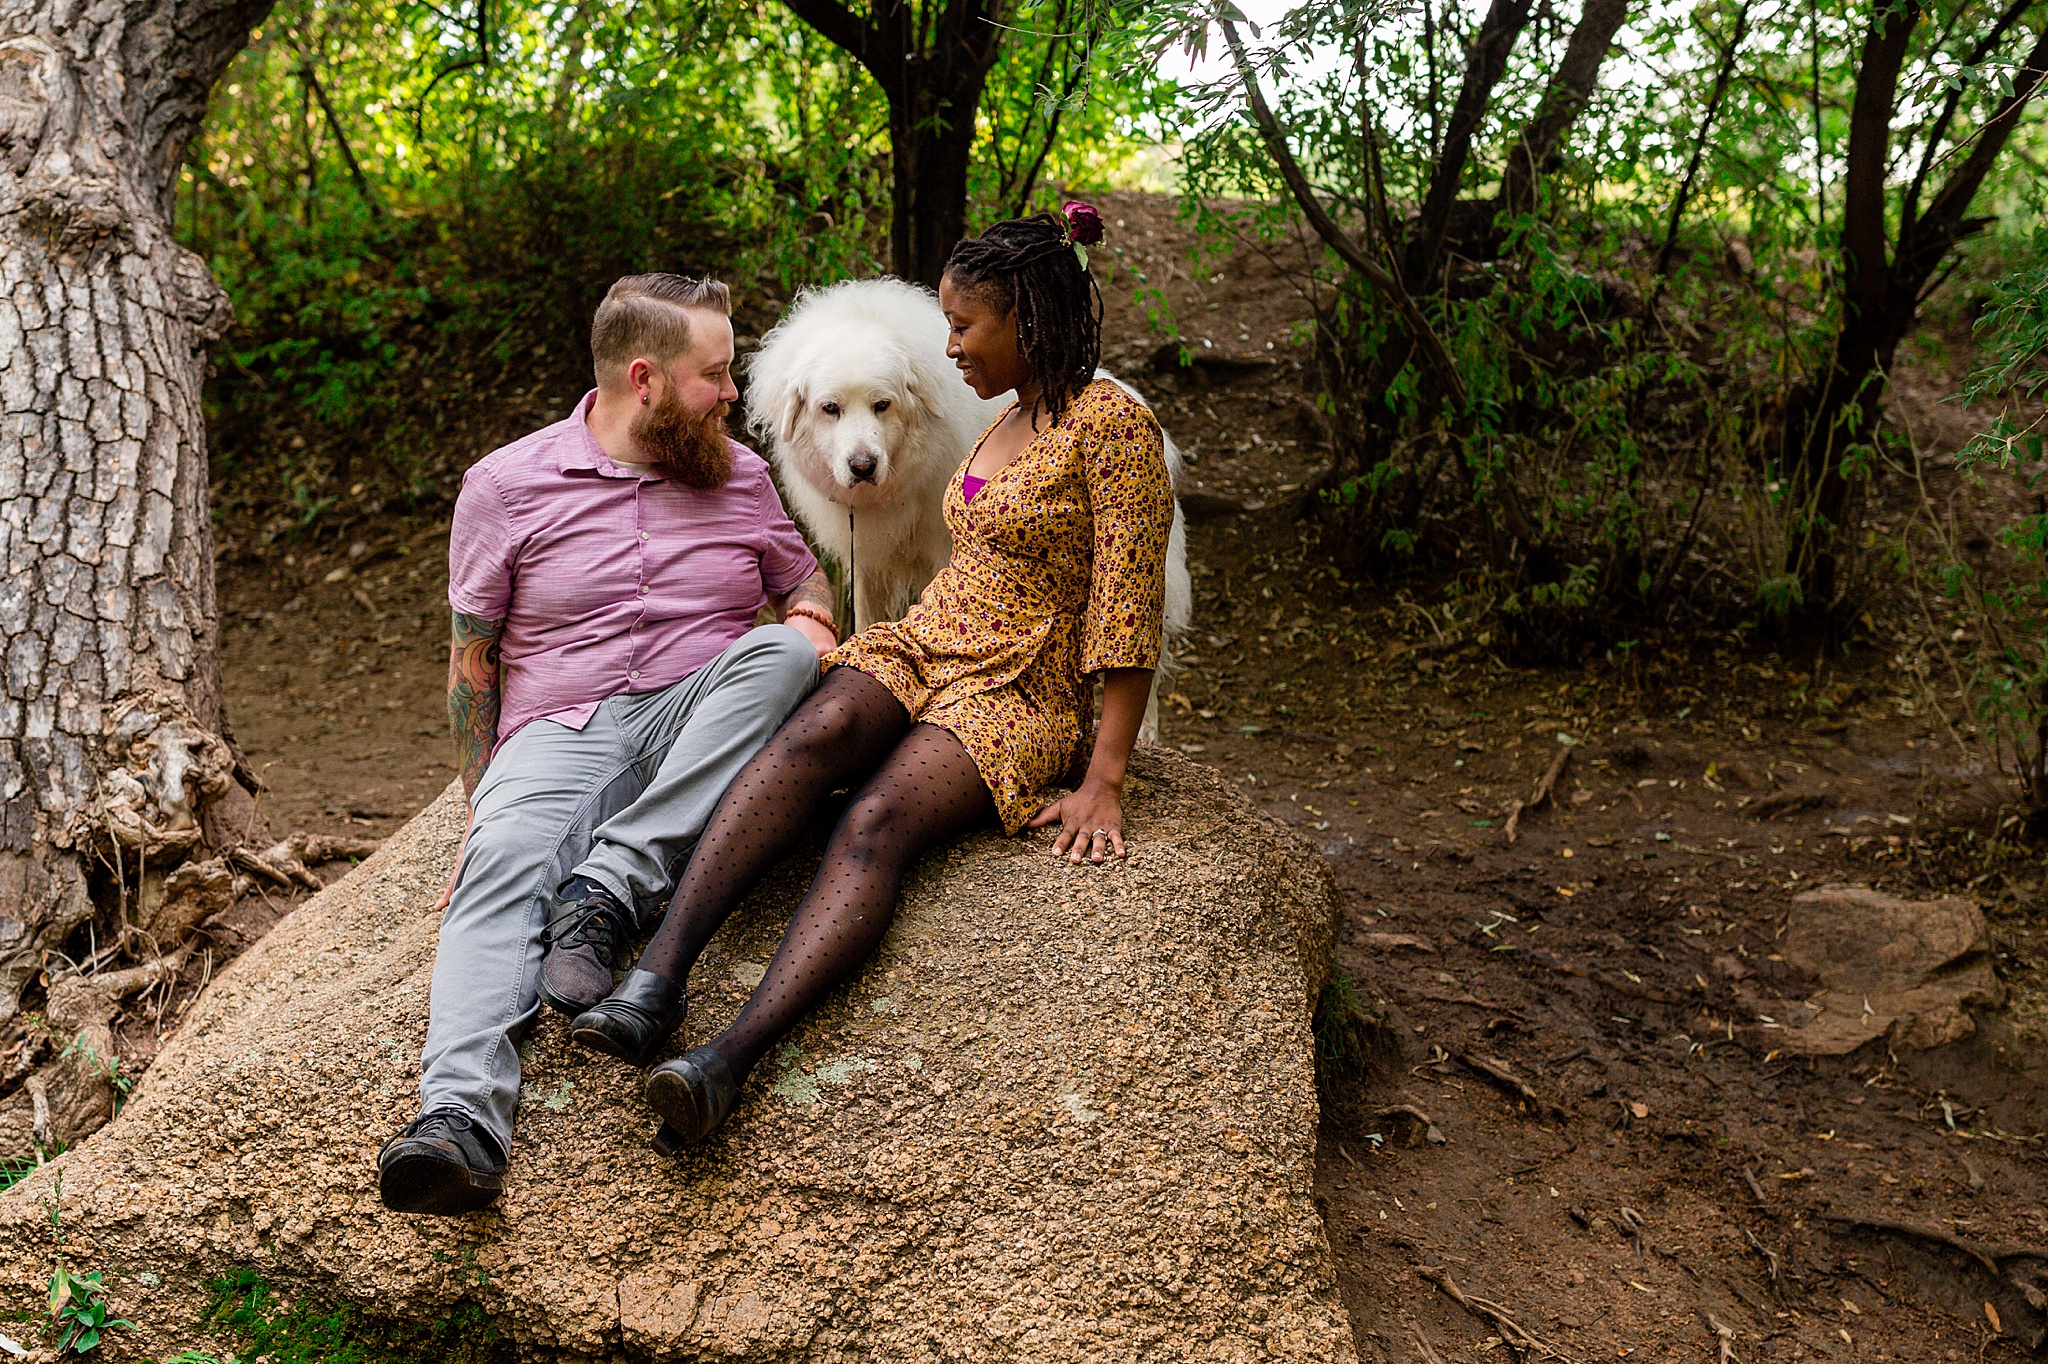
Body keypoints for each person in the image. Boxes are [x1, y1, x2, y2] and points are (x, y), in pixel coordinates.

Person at [569, 206, 1175, 1153]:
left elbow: (1128, 607)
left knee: (874, 818)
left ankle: (725, 1061)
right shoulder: (1009, 420)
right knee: (809, 737)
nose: (949, 348)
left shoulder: (1114, 430)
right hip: (928, 638)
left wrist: (1105, 777)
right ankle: (654, 983)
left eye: (966, 327)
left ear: (1028, 321)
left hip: (1017, 683)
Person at [376, 273, 840, 1215]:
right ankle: (458, 1123)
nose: (733, 396)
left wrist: (815, 634)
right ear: (646, 380)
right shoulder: (505, 486)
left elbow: (809, 597)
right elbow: (472, 664)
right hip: (561, 730)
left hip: (703, 717)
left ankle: (611, 887)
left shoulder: (742, 479)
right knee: (503, 860)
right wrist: (481, 804)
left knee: (779, 655)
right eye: (714, 375)